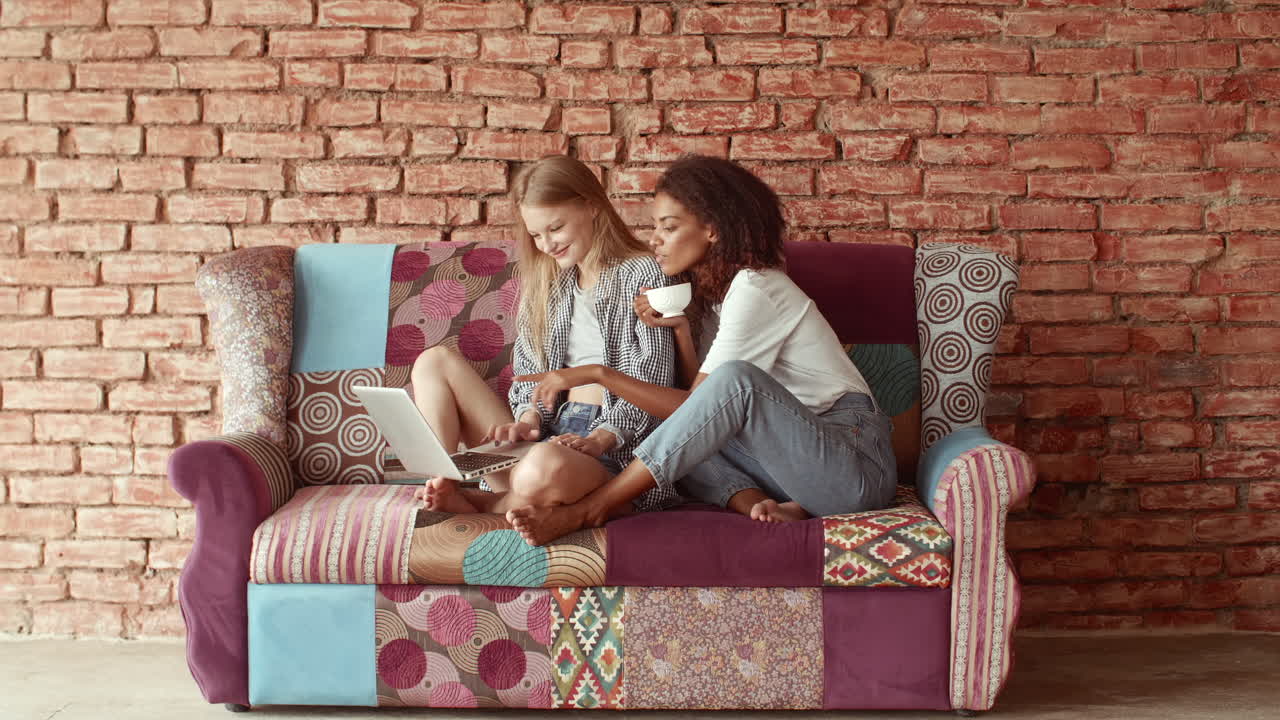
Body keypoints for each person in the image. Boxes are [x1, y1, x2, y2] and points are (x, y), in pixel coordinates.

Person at [506, 155, 897, 545]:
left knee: (730, 387)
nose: (654, 239)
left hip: (852, 462)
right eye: (654, 226)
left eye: (669, 227)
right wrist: (681, 332)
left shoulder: (755, 288)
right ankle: (764, 504)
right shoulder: (713, 298)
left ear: (711, 229)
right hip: (786, 464)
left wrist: (597, 373)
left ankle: (593, 508)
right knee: (687, 441)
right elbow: (702, 408)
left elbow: (703, 402)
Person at [410, 155, 677, 516]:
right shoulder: (547, 282)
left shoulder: (641, 273)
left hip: (611, 455)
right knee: (434, 361)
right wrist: (526, 421)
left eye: (555, 228)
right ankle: (442, 482)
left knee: (543, 466)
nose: (547, 245)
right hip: (544, 441)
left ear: (591, 206)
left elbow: (650, 380)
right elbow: (528, 375)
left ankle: (487, 503)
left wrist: (601, 438)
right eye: (536, 235)